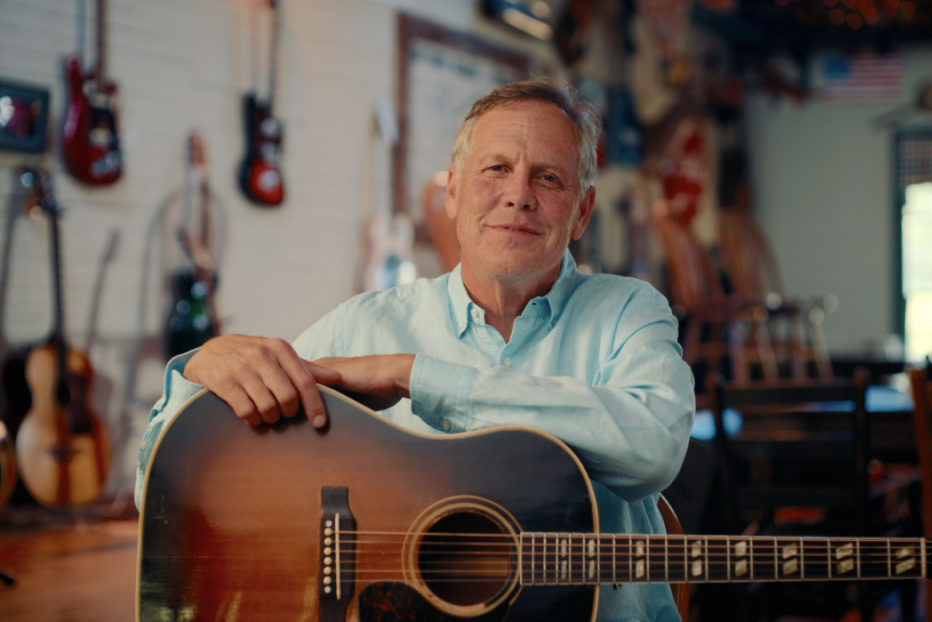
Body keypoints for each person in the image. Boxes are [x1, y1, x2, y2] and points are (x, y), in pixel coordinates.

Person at [136, 78, 695, 622]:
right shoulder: (365, 325)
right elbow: (162, 493)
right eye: (496, 168)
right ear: (452, 192)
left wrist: (415, 377)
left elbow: (653, 449)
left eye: (547, 178)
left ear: (582, 211)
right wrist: (197, 376)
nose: (518, 195)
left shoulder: (631, 311)